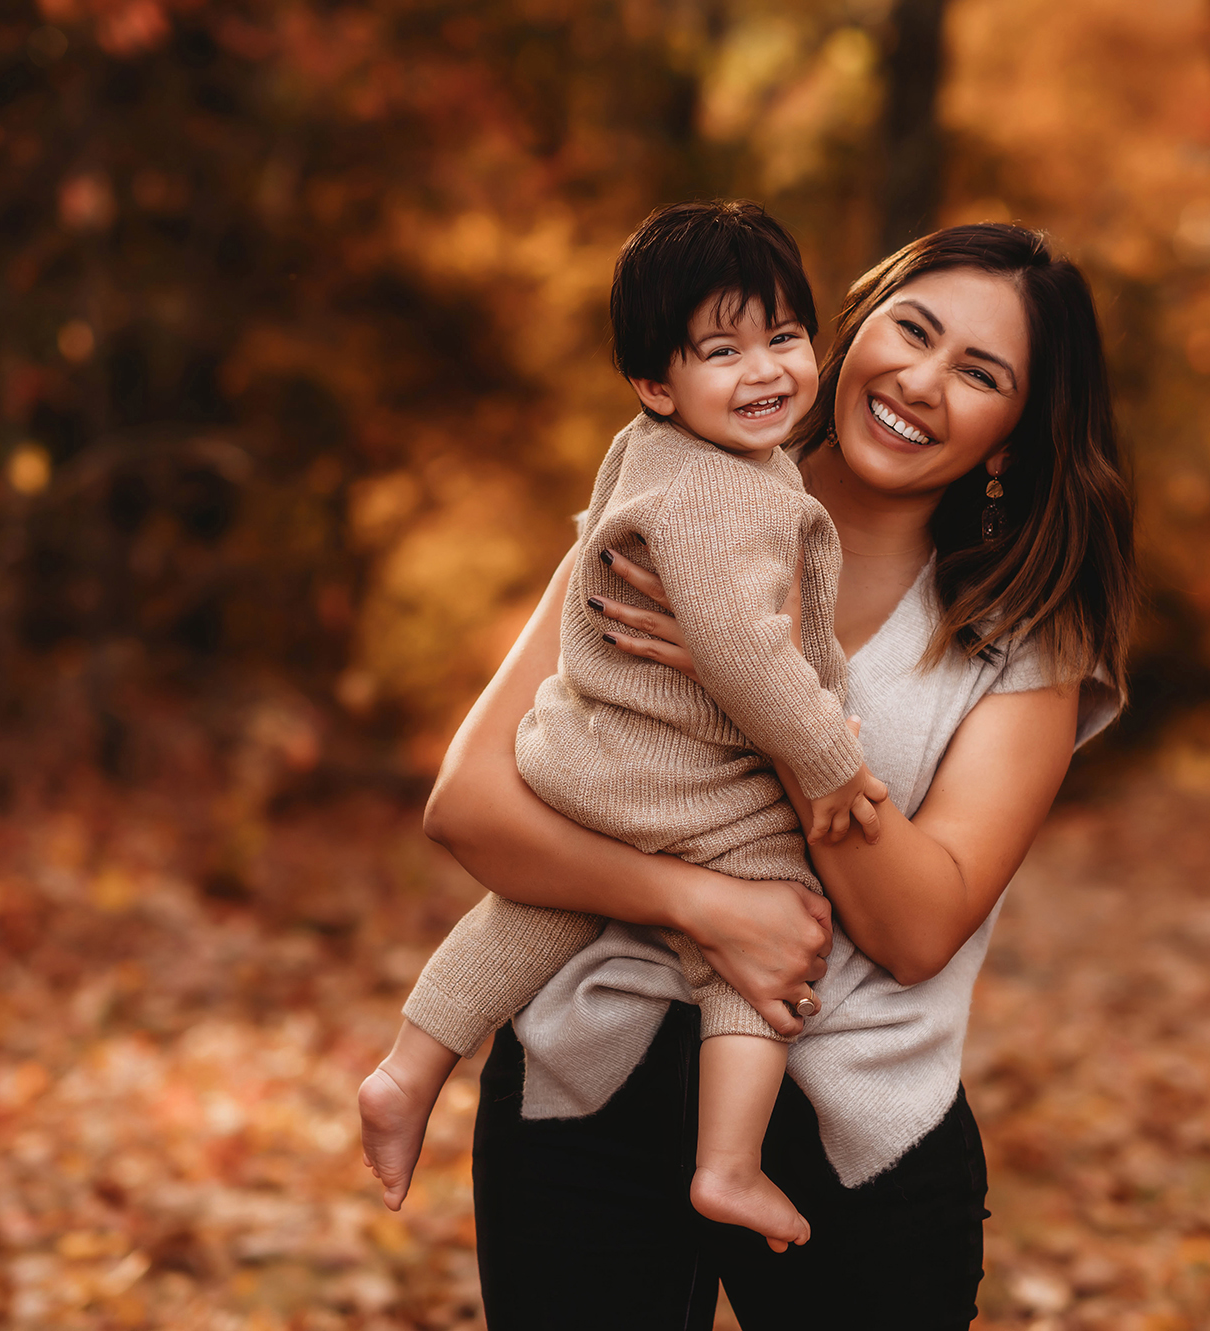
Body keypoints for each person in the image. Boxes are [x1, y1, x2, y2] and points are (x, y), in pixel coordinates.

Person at [427, 223, 1135, 1328]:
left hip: (853, 1128)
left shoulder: (1020, 644)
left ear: (1009, 437)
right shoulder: (671, 502)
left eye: (979, 372)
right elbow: (467, 804)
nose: (920, 379)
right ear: (852, 334)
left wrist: (771, 707)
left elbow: (915, 927)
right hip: (587, 1079)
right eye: (912, 329)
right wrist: (699, 904)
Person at [358, 199, 890, 1251]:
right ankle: (727, 1164)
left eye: (784, 336)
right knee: (769, 902)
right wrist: (830, 762)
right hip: (666, 771)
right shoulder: (720, 494)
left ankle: (407, 1066)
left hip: (591, 750)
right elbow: (745, 657)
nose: (766, 370)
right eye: (722, 351)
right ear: (657, 383)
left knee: (542, 904)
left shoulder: (654, 451)